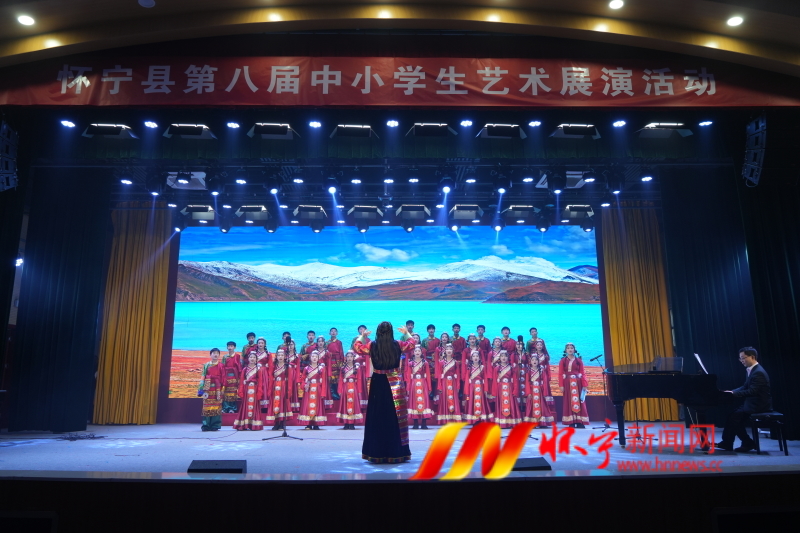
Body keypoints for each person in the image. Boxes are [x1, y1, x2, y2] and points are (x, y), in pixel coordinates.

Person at [353, 321, 415, 463]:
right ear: (391, 332)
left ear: (377, 332)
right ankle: (396, 452)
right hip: (394, 382)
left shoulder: (372, 345)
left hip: (378, 382)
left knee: (377, 416)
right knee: (395, 416)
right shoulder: (398, 344)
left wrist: (362, 336)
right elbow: (412, 344)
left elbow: (357, 347)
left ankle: (376, 453)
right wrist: (406, 333)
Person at [717, 347, 772, 452]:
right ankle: (728, 443)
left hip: (759, 405)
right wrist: (731, 391)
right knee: (732, 416)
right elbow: (745, 386)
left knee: (734, 418)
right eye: (740, 358)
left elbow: (753, 391)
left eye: (743, 358)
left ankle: (745, 442)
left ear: (752, 357)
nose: (741, 360)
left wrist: (734, 394)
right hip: (753, 403)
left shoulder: (758, 372)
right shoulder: (752, 370)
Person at [233, 352, 266, 431]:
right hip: (246, 390)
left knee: (254, 407)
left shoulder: (258, 369)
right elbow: (242, 381)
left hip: (255, 390)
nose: (252, 359)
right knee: (245, 406)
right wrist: (241, 391)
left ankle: (254, 425)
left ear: (256, 359)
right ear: (248, 359)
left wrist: (259, 392)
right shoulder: (245, 369)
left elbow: (260, 382)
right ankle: (244, 425)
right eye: (251, 357)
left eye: (254, 357)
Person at [558, 343, 589, 428]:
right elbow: (560, 373)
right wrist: (561, 385)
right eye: (568, 348)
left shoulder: (578, 360)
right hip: (567, 383)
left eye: (571, 348)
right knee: (568, 401)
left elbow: (582, 373)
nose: (570, 349)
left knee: (580, 401)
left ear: (574, 350)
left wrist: (585, 384)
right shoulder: (563, 361)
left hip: (578, 383)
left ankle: (580, 421)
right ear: (565, 350)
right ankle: (571, 421)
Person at [264, 348, 295, 431]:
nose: (280, 357)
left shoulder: (288, 366)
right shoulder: (273, 366)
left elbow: (290, 380)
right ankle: (276, 423)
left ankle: (282, 423)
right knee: (275, 404)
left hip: (284, 387)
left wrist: (288, 391)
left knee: (282, 405)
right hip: (275, 387)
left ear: (285, 357)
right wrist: (270, 389)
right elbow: (271, 378)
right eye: (279, 355)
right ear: (276, 356)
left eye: (282, 355)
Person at [406, 345, 434, 429]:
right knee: (414, 402)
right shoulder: (410, 363)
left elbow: (428, 375)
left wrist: (429, 387)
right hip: (413, 384)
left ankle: (424, 423)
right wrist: (408, 387)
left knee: (424, 402)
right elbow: (408, 376)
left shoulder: (425, 363)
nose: (417, 352)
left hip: (423, 383)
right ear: (413, 353)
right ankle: (415, 423)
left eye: (419, 351)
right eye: (416, 351)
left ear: (421, 352)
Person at [491, 350, 521, 428]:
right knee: (501, 405)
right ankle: (502, 423)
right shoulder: (496, 368)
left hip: (510, 388)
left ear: (508, 357)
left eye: (505, 356)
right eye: (502, 356)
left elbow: (515, 380)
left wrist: (515, 390)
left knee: (511, 405)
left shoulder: (511, 368)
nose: (503, 358)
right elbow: (495, 381)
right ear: (499, 358)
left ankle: (511, 422)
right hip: (500, 389)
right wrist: (495, 392)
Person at [298, 351, 328, 430]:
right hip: (309, 389)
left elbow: (324, 381)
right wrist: (304, 385)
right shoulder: (306, 368)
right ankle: (308, 424)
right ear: (310, 358)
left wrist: (323, 393)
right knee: (308, 405)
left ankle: (316, 423)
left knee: (317, 405)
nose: (314, 358)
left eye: (316, 357)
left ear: (318, 358)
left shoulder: (321, 369)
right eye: (313, 356)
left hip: (318, 389)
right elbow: (303, 379)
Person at [198, 348, 225, 431]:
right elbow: (203, 376)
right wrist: (200, 389)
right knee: (206, 406)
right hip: (207, 388)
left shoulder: (221, 365)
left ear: (219, 355)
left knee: (216, 406)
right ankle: (206, 425)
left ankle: (215, 425)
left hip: (217, 389)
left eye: (217, 353)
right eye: (214, 353)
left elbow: (223, 378)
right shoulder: (206, 365)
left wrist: (223, 389)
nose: (215, 355)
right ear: (210, 355)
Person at [336, 351, 365, 430]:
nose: (349, 358)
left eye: (351, 357)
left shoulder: (357, 368)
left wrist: (359, 390)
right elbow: (340, 380)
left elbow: (359, 379)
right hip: (345, 387)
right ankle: (346, 423)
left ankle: (352, 423)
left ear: (353, 358)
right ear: (346, 358)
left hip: (354, 387)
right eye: (348, 357)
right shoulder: (343, 368)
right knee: (345, 404)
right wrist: (340, 390)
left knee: (353, 404)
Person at [524, 354, 554, 427]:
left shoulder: (542, 371)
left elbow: (545, 382)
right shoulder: (528, 371)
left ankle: (542, 422)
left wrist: (544, 391)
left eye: (536, 360)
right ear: (530, 361)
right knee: (531, 406)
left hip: (540, 391)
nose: (534, 361)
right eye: (533, 360)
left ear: (538, 361)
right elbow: (527, 382)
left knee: (542, 406)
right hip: (532, 391)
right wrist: (528, 392)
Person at [435, 344, 462, 424]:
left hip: (453, 383)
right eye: (447, 349)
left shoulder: (455, 362)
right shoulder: (441, 362)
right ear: (445, 351)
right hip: (444, 382)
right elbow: (440, 375)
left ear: (453, 351)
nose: (449, 350)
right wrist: (439, 386)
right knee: (444, 399)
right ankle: (445, 420)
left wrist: (458, 386)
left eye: (450, 349)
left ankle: (454, 419)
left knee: (454, 399)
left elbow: (458, 375)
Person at [462, 350, 491, 424]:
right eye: (474, 356)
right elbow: (467, 380)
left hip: (481, 388)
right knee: (470, 401)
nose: (475, 358)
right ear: (471, 358)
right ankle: (473, 420)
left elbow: (485, 379)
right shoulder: (469, 368)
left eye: (477, 356)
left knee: (482, 402)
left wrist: (486, 389)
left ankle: (481, 419)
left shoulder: (482, 367)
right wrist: (467, 391)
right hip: (472, 389)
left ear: (479, 358)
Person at [532, 339, 555, 413]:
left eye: (540, 345)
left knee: (545, 389)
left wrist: (548, 375)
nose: (539, 346)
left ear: (543, 346)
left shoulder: (545, 356)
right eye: (538, 345)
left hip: (543, 375)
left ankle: (545, 406)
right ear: (535, 346)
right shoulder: (533, 355)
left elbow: (547, 366)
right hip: (534, 374)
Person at [221, 341, 242, 413]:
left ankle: (232, 408)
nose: (230, 347)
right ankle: (225, 408)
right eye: (229, 346)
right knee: (226, 393)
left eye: (231, 346)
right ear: (227, 347)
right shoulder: (225, 357)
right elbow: (222, 367)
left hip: (234, 377)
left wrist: (239, 378)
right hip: (226, 377)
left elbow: (239, 367)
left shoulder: (237, 356)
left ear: (234, 347)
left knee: (233, 393)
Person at [327, 327, 344, 401]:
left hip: (337, 362)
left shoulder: (339, 342)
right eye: (332, 331)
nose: (333, 332)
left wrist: (341, 363)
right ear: (329, 333)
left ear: (337, 333)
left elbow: (341, 352)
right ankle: (332, 393)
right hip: (329, 362)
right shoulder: (327, 342)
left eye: (335, 331)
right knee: (330, 378)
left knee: (337, 379)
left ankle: (337, 393)